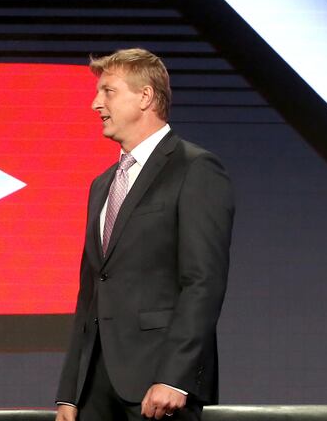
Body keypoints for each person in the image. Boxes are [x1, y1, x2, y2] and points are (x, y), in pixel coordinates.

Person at [55, 48, 234, 421]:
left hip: (159, 386)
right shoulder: (102, 184)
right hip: (96, 391)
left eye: (108, 91)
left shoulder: (195, 168)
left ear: (145, 96)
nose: (95, 103)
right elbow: (91, 292)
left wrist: (175, 377)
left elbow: (203, 281)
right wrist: (70, 394)